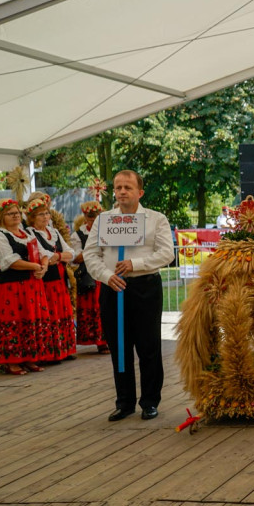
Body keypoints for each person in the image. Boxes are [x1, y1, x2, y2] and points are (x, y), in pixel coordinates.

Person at [85, 170, 175, 422]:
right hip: (113, 287)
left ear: (140, 192)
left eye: (128, 187)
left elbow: (166, 253)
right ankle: (124, 403)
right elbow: (91, 254)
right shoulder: (104, 220)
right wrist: (106, 276)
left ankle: (150, 401)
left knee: (148, 346)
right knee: (118, 346)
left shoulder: (156, 219)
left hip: (145, 287)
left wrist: (135, 264)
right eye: (118, 187)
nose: (122, 191)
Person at [0, 199, 55, 374]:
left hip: (32, 286)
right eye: (11, 213)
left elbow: (44, 252)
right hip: (13, 288)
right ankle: (12, 361)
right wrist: (34, 266)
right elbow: (10, 261)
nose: (16, 216)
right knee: (15, 322)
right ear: (2, 217)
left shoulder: (27, 234)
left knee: (31, 320)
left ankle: (30, 358)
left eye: (17, 212)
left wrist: (44, 266)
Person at [26, 195, 77, 361]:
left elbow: (71, 252)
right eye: (41, 214)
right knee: (50, 313)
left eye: (47, 213)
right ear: (32, 217)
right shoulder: (30, 233)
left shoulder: (54, 232)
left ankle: (65, 349)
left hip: (60, 278)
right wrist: (58, 256)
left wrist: (59, 256)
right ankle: (51, 353)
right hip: (45, 281)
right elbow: (44, 254)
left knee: (63, 311)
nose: (45, 217)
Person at [71, 201, 110, 354]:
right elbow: (76, 258)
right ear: (85, 217)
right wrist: (93, 250)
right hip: (90, 277)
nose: (94, 220)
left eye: (97, 216)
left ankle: (109, 339)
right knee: (94, 308)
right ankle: (99, 341)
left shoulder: (109, 231)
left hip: (106, 274)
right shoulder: (78, 235)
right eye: (90, 217)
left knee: (107, 307)